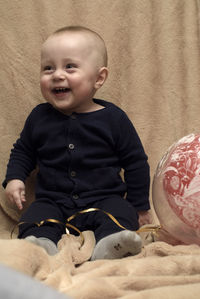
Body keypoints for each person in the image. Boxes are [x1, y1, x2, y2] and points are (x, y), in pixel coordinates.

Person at [3, 26, 152, 259]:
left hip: (104, 199)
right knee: (34, 216)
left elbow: (135, 163)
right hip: (53, 201)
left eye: (69, 66)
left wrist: (140, 206)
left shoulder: (113, 118)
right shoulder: (39, 117)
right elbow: (23, 151)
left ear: (99, 78)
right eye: (48, 68)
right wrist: (14, 178)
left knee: (122, 212)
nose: (57, 75)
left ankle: (110, 244)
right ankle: (41, 245)